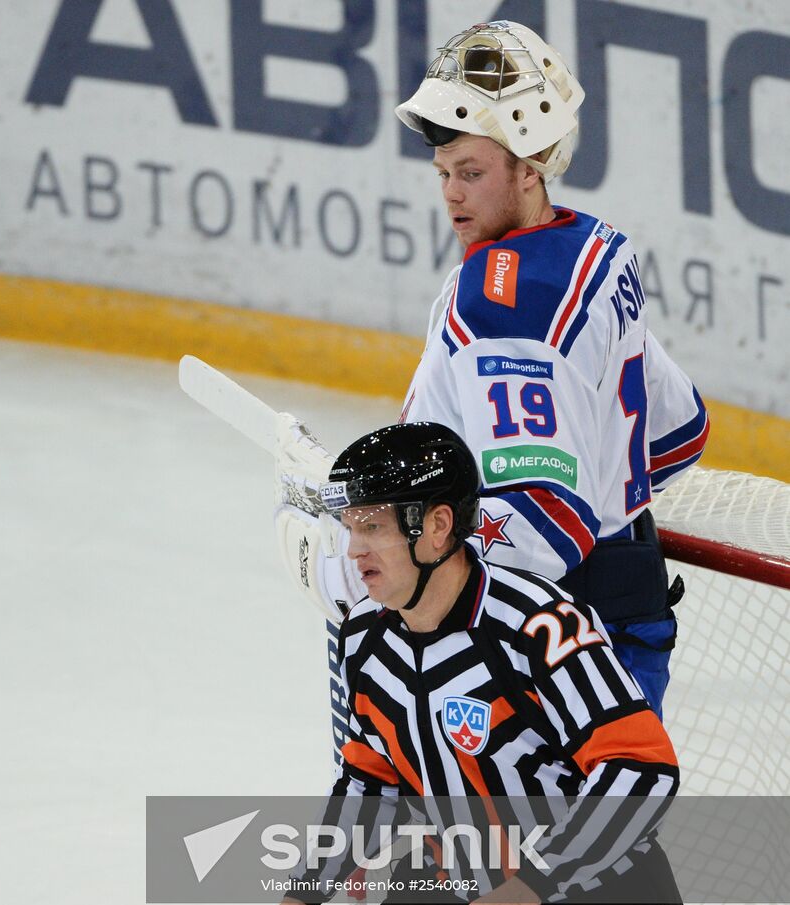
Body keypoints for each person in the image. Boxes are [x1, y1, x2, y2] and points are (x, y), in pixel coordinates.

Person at [275, 20, 709, 719]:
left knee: (507, 832)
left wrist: (364, 572)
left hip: (547, 649)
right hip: (626, 615)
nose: (450, 195)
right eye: (444, 173)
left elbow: (540, 526)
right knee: (606, 827)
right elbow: (679, 431)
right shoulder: (594, 251)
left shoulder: (504, 302)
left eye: (471, 173)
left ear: (529, 165)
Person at [253, 422, 708, 905]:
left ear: (438, 527)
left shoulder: (536, 624)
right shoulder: (364, 637)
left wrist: (531, 883)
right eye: (350, 526)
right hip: (454, 892)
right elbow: (371, 782)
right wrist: (302, 897)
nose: (354, 548)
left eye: (373, 526)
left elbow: (642, 769)